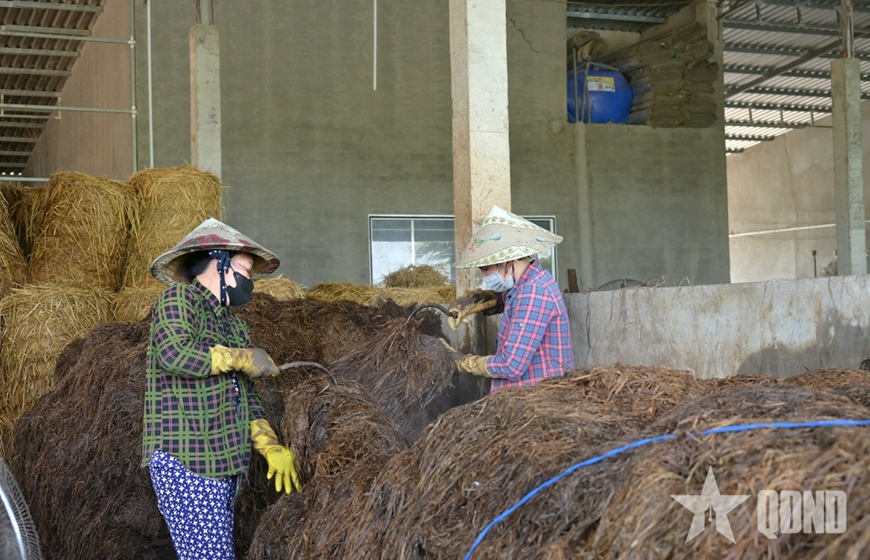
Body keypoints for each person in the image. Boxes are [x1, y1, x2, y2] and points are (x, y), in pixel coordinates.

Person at [141, 218, 301, 560]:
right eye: (244, 270)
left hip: (223, 462)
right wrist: (242, 357)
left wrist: (270, 446)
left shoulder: (233, 325)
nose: (249, 282)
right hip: (187, 458)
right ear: (219, 262)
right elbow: (174, 355)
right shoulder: (179, 299)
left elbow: (246, 397)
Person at [445, 205, 574, 393]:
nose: (484, 276)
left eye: (486, 269)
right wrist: (474, 300)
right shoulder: (527, 284)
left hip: (536, 397)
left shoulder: (533, 292)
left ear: (507, 260)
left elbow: (510, 366)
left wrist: (463, 362)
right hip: (528, 395)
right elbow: (507, 299)